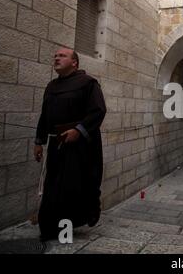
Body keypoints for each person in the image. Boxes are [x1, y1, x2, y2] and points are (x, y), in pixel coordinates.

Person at [34, 48, 106, 241]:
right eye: (55, 55)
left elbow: (98, 111)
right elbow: (45, 116)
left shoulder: (88, 83)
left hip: (81, 147)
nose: (56, 58)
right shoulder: (51, 86)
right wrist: (39, 142)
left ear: (74, 62)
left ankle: (66, 230)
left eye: (62, 56)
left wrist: (78, 131)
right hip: (57, 144)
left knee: (72, 187)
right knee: (52, 185)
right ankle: (49, 228)